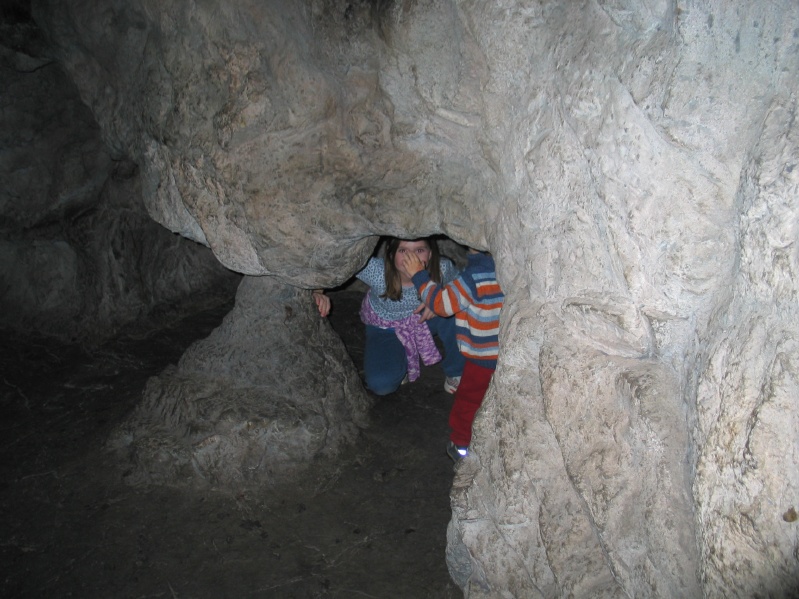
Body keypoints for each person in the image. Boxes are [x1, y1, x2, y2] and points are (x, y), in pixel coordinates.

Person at [313, 237, 465, 396]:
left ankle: (456, 370)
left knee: (457, 311)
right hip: (386, 328)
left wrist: (438, 298)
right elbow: (337, 264)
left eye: (419, 250)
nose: (411, 258)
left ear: (431, 254)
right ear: (391, 255)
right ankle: (401, 356)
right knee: (382, 385)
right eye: (403, 251)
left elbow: (463, 284)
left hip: (423, 319)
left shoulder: (441, 269)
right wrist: (317, 292)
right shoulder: (377, 272)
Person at [399, 247, 503, 462]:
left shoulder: (474, 276)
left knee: (469, 400)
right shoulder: (506, 269)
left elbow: (442, 305)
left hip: (482, 356)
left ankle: (461, 444)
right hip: (505, 350)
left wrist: (419, 275)